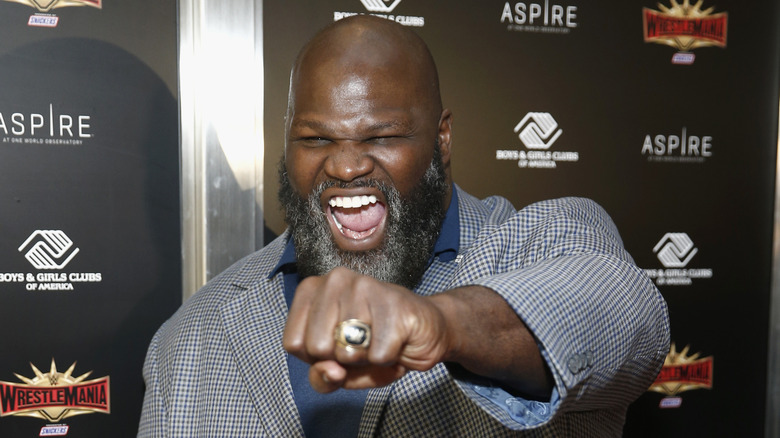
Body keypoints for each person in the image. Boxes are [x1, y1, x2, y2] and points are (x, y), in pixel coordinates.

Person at [139, 15, 669, 437]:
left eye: (381, 136)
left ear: (442, 138)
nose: (346, 167)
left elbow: (627, 319)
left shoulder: (541, 242)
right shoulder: (193, 335)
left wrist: (442, 323)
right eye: (316, 139)